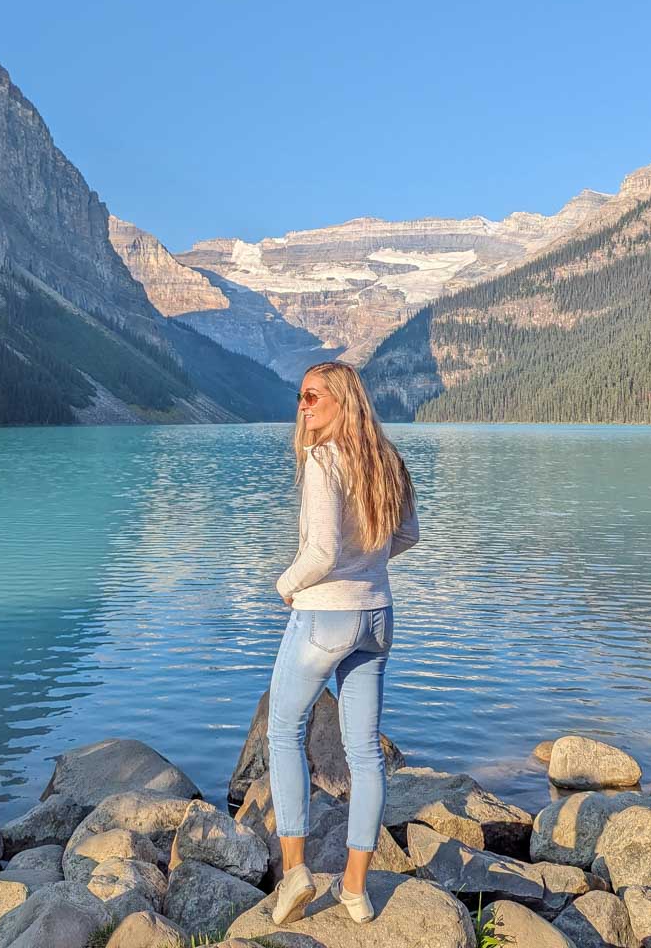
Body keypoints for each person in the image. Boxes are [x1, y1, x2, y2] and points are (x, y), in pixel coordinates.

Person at [267, 360, 420, 926]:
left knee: (284, 732)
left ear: (343, 402)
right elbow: (407, 535)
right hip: (377, 617)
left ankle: (296, 874)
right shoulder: (387, 460)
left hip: (325, 617)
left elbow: (322, 553)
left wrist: (285, 586)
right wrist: (369, 567)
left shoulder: (323, 460)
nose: (303, 406)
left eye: (313, 396)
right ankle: (355, 890)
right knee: (363, 752)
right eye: (300, 396)